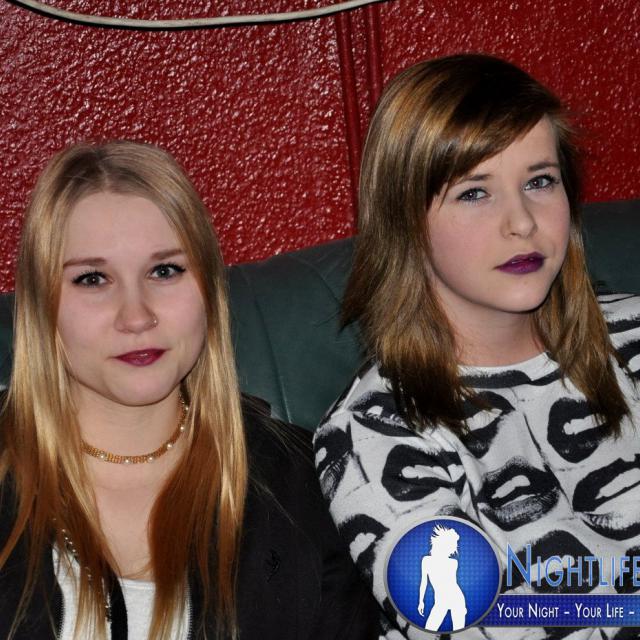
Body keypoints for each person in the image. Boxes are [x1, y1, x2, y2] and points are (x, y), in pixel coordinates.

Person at [313, 53, 640, 639]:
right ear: (405, 220)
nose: (522, 222)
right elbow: (472, 619)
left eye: (540, 181)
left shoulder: (633, 335)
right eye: (474, 193)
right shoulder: (374, 433)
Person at [0, 141, 378, 639]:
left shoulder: (302, 485)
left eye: (165, 271)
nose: (137, 316)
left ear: (208, 291)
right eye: (92, 279)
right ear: (41, 305)